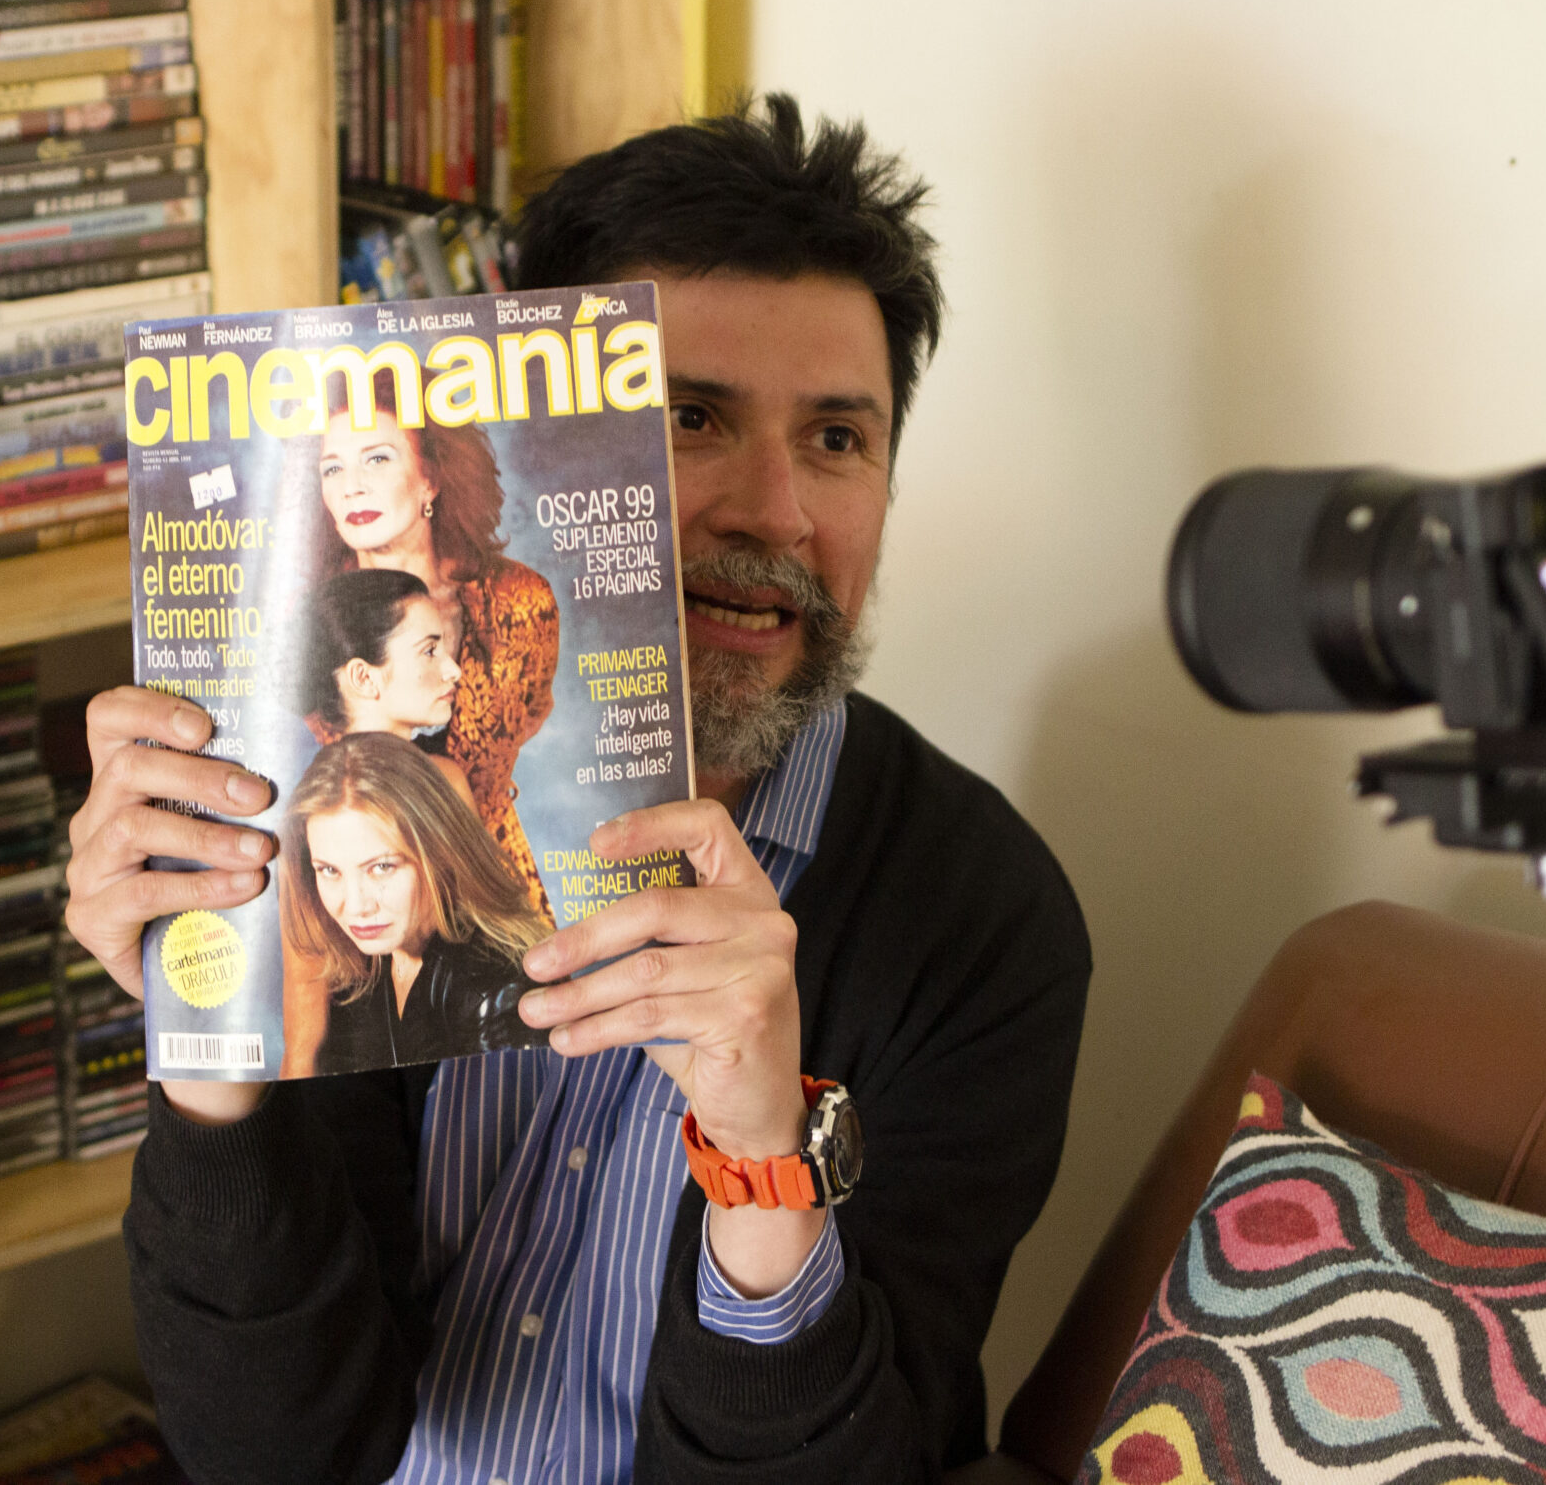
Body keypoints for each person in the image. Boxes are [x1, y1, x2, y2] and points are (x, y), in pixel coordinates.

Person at [66, 94, 1093, 1482]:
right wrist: (212, 1049)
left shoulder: (983, 915)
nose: (777, 511)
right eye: (692, 416)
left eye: (838, 439)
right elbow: (269, 1454)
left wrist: (760, 1159)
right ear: (530, 422)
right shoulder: (332, 793)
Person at [311, 388, 557, 905]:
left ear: (431, 478)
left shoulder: (517, 601)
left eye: (377, 459)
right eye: (333, 468)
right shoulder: (310, 620)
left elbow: (531, 709)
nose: (352, 487)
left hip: (493, 889)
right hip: (366, 903)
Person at [280, 733, 551, 1075]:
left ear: (439, 853)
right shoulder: (367, 969)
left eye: (382, 867)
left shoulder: (494, 990)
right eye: (329, 870)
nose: (356, 906)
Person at [295, 568, 473, 807]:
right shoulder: (337, 804)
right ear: (364, 678)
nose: (454, 671)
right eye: (429, 651)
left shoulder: (446, 780)